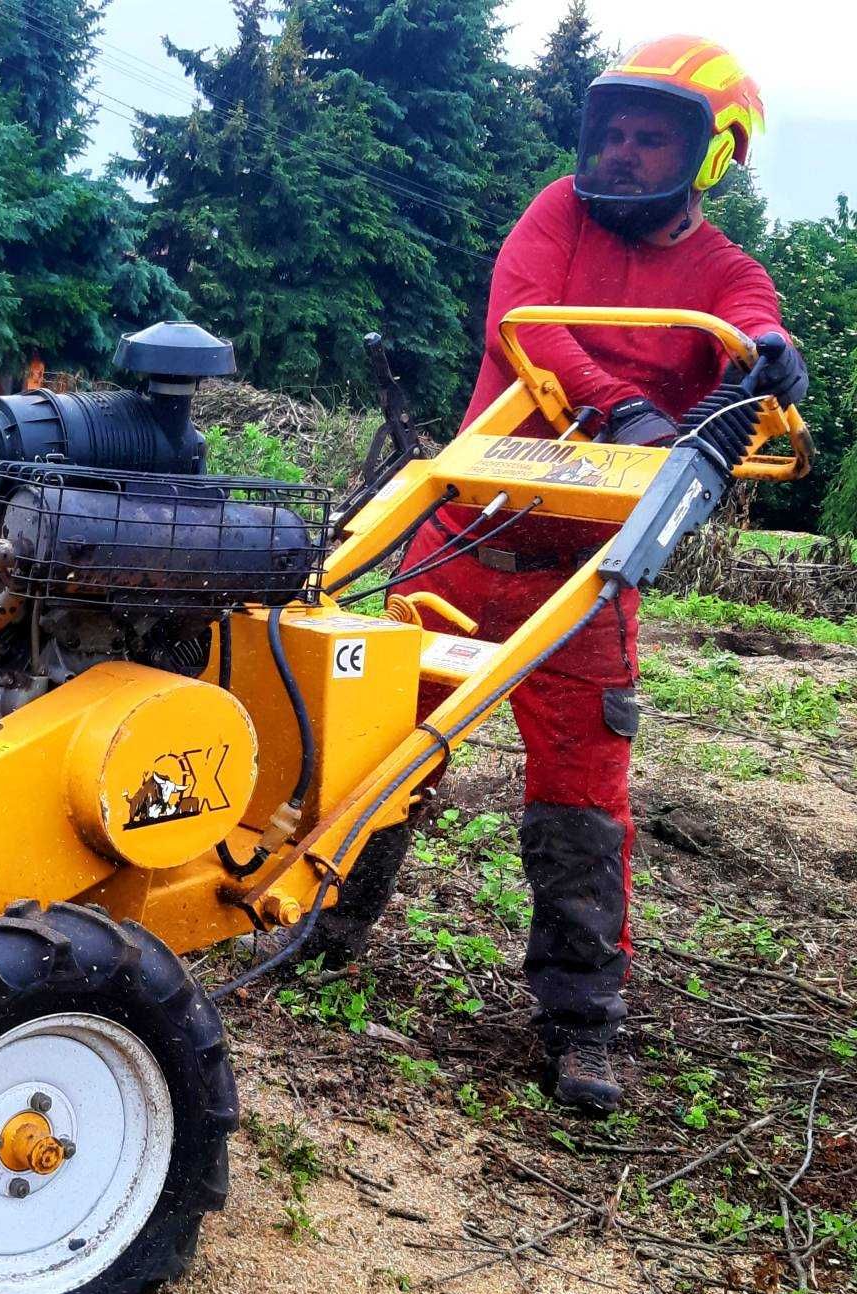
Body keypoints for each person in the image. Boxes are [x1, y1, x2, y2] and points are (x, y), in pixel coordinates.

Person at [394, 37, 807, 1115]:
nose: (621, 154)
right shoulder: (555, 214)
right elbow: (523, 323)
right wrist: (615, 404)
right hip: (460, 538)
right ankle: (325, 923)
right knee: (378, 746)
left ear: (709, 155)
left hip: (585, 578)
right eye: (613, 132)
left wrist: (765, 357)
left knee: (581, 811)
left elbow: (753, 326)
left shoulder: (721, 274)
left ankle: (581, 1026)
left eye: (651, 137)